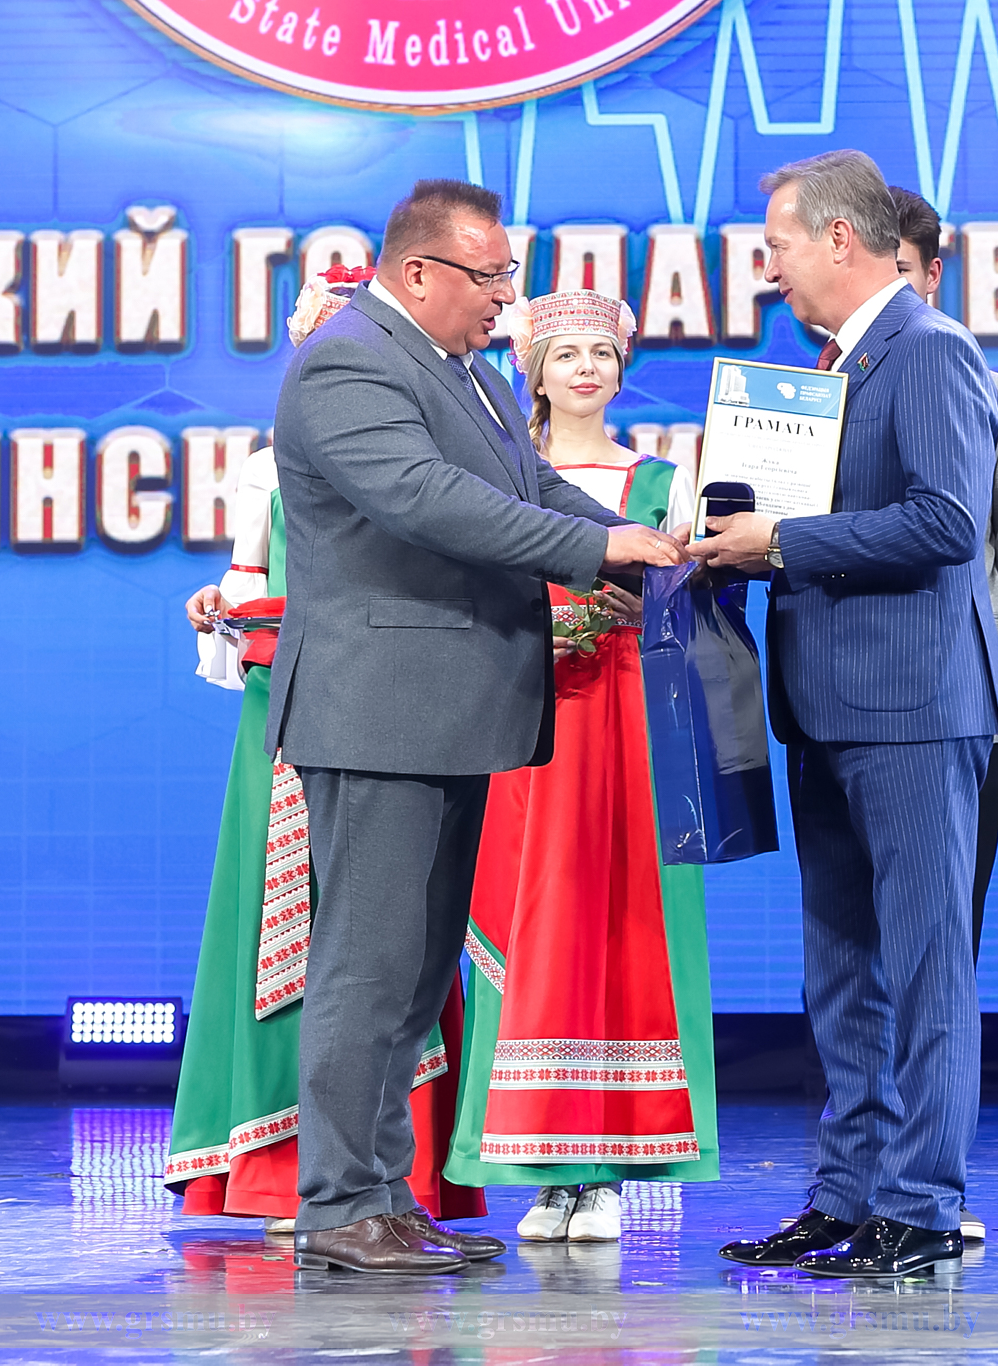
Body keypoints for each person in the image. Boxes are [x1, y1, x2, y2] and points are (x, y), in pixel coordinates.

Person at [268, 179, 685, 1275]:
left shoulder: (466, 371)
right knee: (367, 965)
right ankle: (338, 1204)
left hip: (447, 712)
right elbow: (422, 496)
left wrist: (642, 545)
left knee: (413, 973)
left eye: (508, 275)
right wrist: (599, 552)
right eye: (489, 276)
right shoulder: (349, 361)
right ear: (418, 274)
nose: (507, 298)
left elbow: (530, 482)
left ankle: (383, 1195)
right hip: (379, 711)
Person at [692, 150, 998, 1280]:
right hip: (825, 708)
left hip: (913, 710)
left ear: (838, 238)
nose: (768, 268)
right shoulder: (835, 366)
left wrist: (780, 541)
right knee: (838, 969)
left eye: (776, 246)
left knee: (924, 967)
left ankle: (919, 1207)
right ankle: (848, 1193)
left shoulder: (928, 349)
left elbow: (945, 522)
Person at [164, 269, 486, 1235]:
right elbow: (249, 586)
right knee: (312, 937)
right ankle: (306, 1184)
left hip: (403, 701)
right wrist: (223, 609)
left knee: (398, 941)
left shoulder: (428, 444)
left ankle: (393, 1184)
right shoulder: (266, 470)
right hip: (292, 710)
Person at [443, 290, 719, 1242]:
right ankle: (543, 1166)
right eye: (566, 355)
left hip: (628, 722)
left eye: (602, 353)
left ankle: (605, 1173)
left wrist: (645, 609)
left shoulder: (662, 479)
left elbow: (697, 605)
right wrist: (536, 627)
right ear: (535, 371)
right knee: (530, 921)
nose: (586, 369)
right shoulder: (499, 478)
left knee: (620, 922)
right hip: (526, 718)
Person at [890, 185, 998, 1244]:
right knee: (850, 958)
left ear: (930, 273)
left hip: (959, 717)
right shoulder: (806, 399)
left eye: (902, 273)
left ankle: (936, 1180)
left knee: (944, 951)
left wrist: (967, 677)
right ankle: (864, 1173)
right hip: (840, 712)